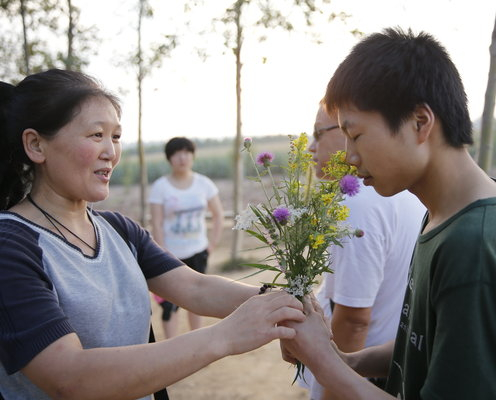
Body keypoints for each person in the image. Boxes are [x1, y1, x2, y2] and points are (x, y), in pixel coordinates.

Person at [281, 27, 496, 400]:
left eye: (357, 135)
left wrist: (325, 365)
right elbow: (428, 344)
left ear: (420, 122)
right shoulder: (445, 217)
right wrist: (347, 361)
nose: (349, 155)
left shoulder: (477, 248)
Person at [0, 69, 304, 400]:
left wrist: (285, 301)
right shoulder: (10, 246)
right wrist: (224, 337)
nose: (110, 152)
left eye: (115, 137)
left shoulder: (118, 229)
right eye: (95, 135)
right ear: (36, 145)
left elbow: (195, 286)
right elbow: (69, 377)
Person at [299, 103, 425, 400]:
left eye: (318, 134)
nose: (309, 148)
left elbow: (354, 319)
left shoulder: (357, 206)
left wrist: (331, 391)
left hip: (362, 377)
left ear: (350, 132)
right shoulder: (397, 189)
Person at [149, 136, 224, 338]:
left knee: (197, 300)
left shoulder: (204, 184)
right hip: (170, 255)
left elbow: (218, 215)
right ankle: (171, 347)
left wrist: (212, 244)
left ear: (192, 156)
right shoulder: (160, 187)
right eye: (176, 153)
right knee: (169, 304)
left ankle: (197, 343)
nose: (182, 158)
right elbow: (156, 222)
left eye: (186, 152)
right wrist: (162, 251)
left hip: (198, 251)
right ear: (169, 158)